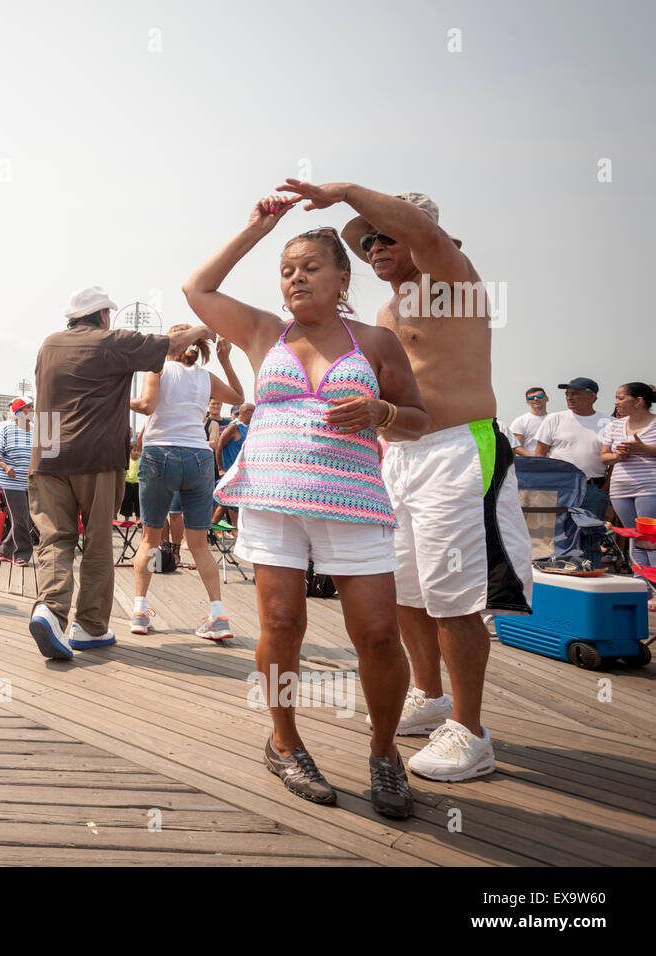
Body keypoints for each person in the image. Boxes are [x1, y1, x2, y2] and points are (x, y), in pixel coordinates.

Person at [281, 179, 533, 784]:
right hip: (398, 456)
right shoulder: (387, 310)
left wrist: (342, 191)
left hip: (457, 450)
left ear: (423, 237)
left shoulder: (453, 284)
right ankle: (431, 695)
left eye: (384, 234)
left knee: (453, 597)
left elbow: (424, 235)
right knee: (404, 591)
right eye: (366, 240)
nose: (374, 247)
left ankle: (472, 732)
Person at [185, 198, 430, 818]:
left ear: (343, 278)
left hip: (354, 500)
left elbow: (418, 418)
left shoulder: (375, 341)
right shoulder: (266, 332)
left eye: (311, 267)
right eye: (288, 269)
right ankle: (285, 740)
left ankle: (383, 754)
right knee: (283, 626)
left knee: (377, 633)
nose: (295, 277)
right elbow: (198, 287)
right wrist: (257, 228)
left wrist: (384, 413)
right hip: (273, 498)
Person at [27, 285, 213, 659]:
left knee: (55, 539)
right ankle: (90, 627)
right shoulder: (112, 341)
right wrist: (202, 331)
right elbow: (171, 345)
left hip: (47, 454)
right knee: (96, 542)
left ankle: (50, 609)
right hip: (95, 453)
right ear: (102, 315)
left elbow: (45, 396)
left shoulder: (49, 344)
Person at [128, 326, 245, 640]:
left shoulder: (158, 366)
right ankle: (218, 616)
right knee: (199, 545)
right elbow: (239, 398)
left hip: (160, 453)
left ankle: (140, 611)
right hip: (197, 457)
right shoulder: (205, 378)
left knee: (150, 540)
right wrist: (225, 359)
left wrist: (122, 400)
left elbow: (147, 405)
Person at [600, 382, 656, 605]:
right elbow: (603, 456)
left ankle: (654, 585)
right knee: (634, 537)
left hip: (649, 487)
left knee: (649, 538)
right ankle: (641, 585)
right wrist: (617, 456)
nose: (616, 403)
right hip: (621, 489)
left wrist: (644, 450)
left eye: (620, 398)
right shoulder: (615, 426)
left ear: (639, 401)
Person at [535, 376, 613, 519]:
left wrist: (604, 489)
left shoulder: (609, 423)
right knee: (553, 536)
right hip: (558, 486)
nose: (569, 397)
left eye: (575, 393)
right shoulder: (554, 419)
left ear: (592, 396)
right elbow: (540, 454)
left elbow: (614, 460)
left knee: (591, 537)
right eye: (567, 393)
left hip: (594, 489)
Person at [0, 398, 36, 566]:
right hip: (11, 483)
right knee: (21, 519)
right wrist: (6, 467)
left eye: (32, 407)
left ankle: (4, 551)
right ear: (18, 412)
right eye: (27, 408)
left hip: (30, 482)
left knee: (25, 519)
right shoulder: (7, 428)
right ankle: (22, 554)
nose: (31, 410)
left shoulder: (35, 430)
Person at [510, 387, 549, 457]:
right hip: (530, 463)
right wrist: (535, 459)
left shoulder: (554, 419)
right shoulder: (520, 421)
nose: (535, 399)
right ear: (527, 402)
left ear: (547, 398)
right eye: (531, 398)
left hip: (553, 462)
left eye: (539, 396)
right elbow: (516, 446)